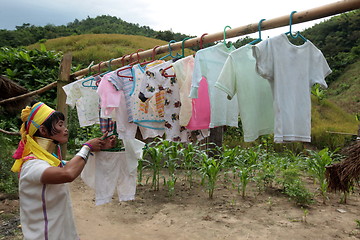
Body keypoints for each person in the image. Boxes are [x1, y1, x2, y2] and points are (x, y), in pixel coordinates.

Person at [11, 101, 110, 240]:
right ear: (43, 131)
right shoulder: (32, 165)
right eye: (60, 125)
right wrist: (87, 147)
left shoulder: (48, 161)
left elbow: (73, 166)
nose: (65, 129)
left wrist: (98, 149)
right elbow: (68, 174)